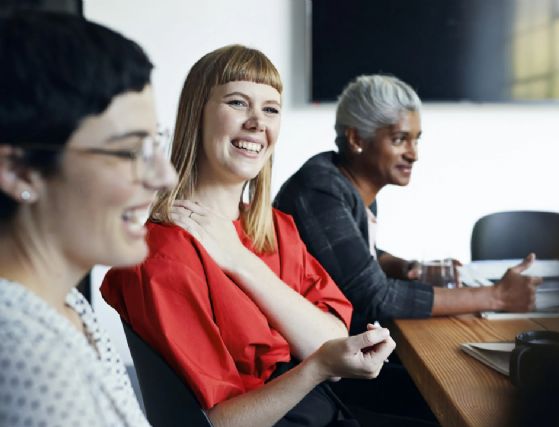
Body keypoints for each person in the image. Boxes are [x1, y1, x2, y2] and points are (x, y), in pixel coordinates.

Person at [101, 45, 396, 427]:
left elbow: (331, 339)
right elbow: (217, 423)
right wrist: (317, 367)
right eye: (238, 103)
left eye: (270, 109)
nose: (258, 122)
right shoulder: (163, 256)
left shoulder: (276, 228)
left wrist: (241, 263)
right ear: (197, 117)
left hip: (325, 410)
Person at [0, 11, 177, 426]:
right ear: (20, 171)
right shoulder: (23, 352)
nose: (164, 177)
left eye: (155, 144)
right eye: (129, 152)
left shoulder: (65, 304)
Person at [274, 74, 543, 334]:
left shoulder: (346, 184)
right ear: (356, 139)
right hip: (316, 370)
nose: (414, 154)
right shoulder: (320, 190)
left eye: (416, 139)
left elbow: (357, 258)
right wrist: (496, 296)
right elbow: (376, 298)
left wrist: (407, 268)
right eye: (399, 139)